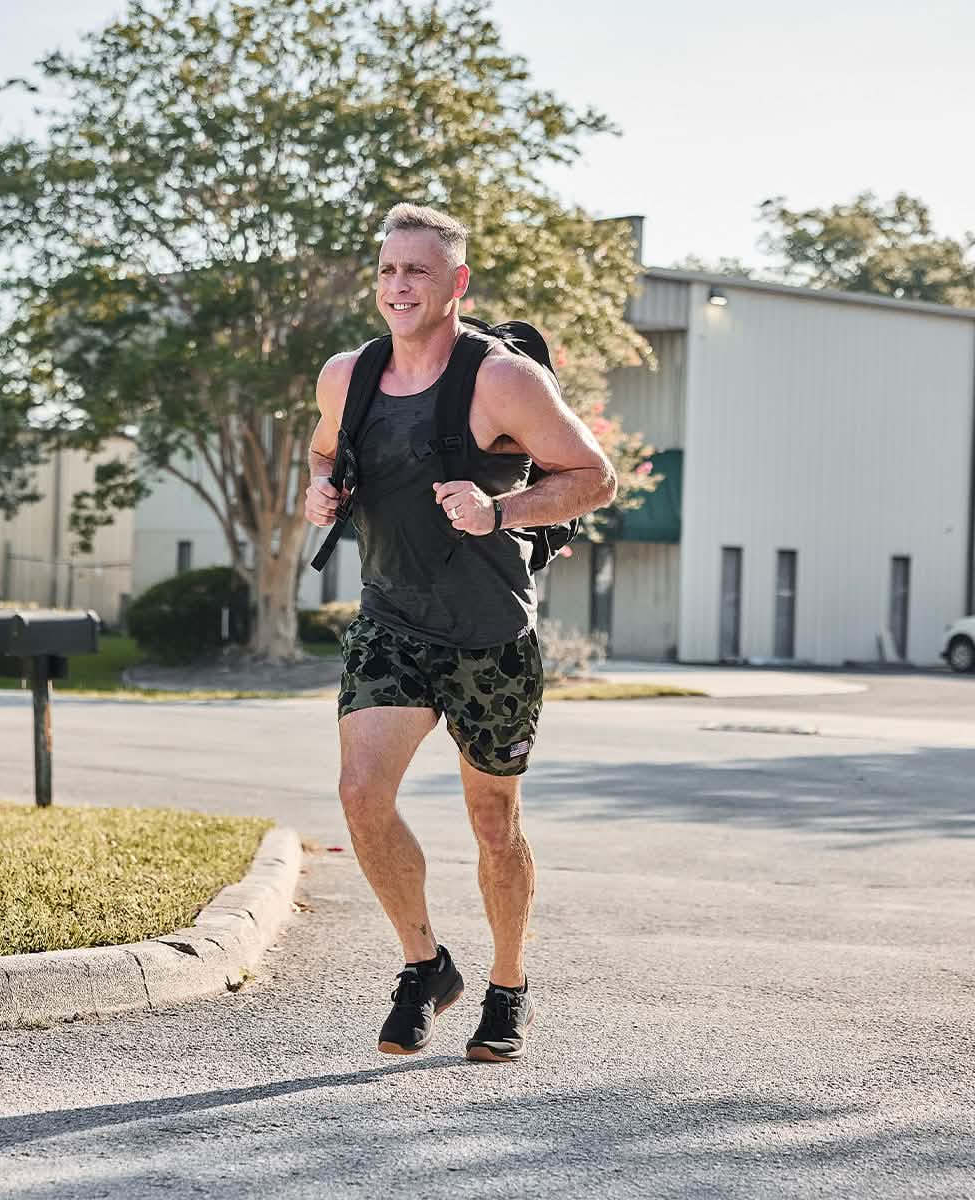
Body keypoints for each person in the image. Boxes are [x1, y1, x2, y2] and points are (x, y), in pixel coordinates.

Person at [304, 203, 617, 1062]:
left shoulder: (503, 381)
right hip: (391, 619)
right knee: (361, 795)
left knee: (493, 825)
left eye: (419, 271)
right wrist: (321, 487)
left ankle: (508, 985)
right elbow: (324, 451)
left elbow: (596, 476)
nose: (399, 286)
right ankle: (424, 965)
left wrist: (502, 509)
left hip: (489, 635)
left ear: (457, 283)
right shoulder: (348, 376)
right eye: (387, 271)